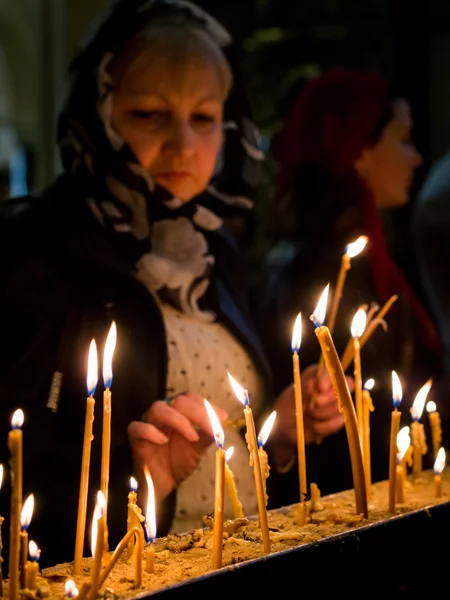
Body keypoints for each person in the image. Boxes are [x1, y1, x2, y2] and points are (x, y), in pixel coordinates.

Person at [0, 0, 342, 569]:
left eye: (204, 117)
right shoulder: (35, 255)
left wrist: (279, 434)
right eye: (150, 114)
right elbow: (16, 487)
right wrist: (136, 486)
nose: (184, 144)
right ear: (98, 113)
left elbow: (229, 449)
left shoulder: (218, 258)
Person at [256, 67, 442, 506]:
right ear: (358, 150)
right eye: (403, 139)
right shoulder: (317, 272)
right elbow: (331, 438)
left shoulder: (376, 256)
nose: (417, 158)